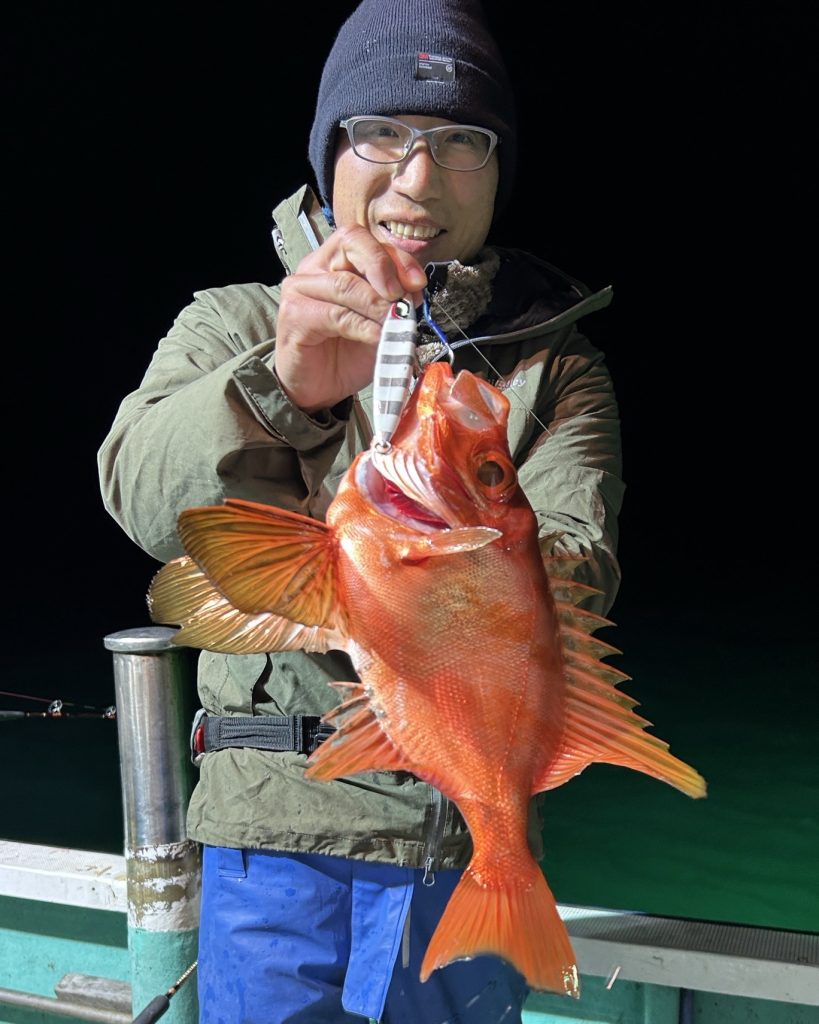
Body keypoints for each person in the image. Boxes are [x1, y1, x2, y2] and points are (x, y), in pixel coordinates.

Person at [97, 0, 624, 1020]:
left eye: (461, 141)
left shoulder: (555, 367)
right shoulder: (234, 324)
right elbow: (142, 499)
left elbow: (579, 571)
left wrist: (431, 557)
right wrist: (286, 385)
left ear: (498, 168)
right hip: (272, 842)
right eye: (381, 133)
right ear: (328, 151)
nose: (417, 179)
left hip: (458, 839)